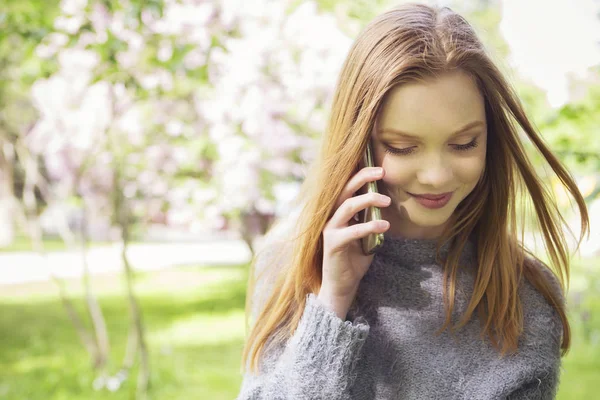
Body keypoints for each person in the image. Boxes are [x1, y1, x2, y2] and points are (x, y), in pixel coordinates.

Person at [236, 3, 590, 399]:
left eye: (464, 143)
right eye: (403, 147)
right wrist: (333, 300)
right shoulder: (292, 267)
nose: (436, 174)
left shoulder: (524, 297)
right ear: (360, 143)